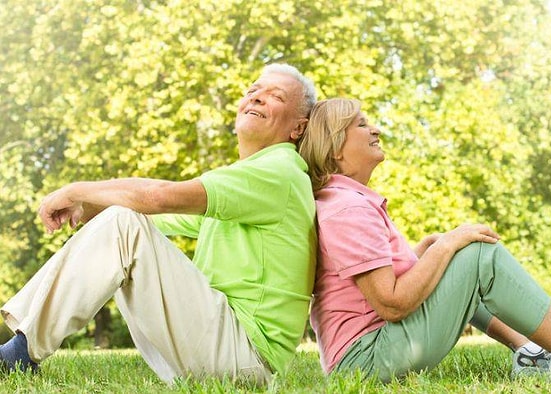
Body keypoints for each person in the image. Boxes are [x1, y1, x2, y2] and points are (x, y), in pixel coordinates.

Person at [0, 63, 318, 386]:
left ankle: (19, 355)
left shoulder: (280, 170)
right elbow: (151, 213)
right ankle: (21, 348)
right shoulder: (251, 178)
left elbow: (158, 198)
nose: (257, 98)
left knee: (123, 222)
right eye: (252, 91)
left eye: (275, 96)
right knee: (125, 219)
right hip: (221, 353)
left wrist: (74, 191)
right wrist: (88, 208)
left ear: (298, 127)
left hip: (243, 359)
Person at [297, 97, 551, 382]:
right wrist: (445, 246)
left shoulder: (343, 200)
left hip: (368, 353)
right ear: (335, 146)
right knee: (480, 255)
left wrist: (428, 254)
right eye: (361, 124)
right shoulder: (347, 209)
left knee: (456, 259)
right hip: (367, 359)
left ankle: (530, 355)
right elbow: (391, 304)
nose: (375, 128)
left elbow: (366, 290)